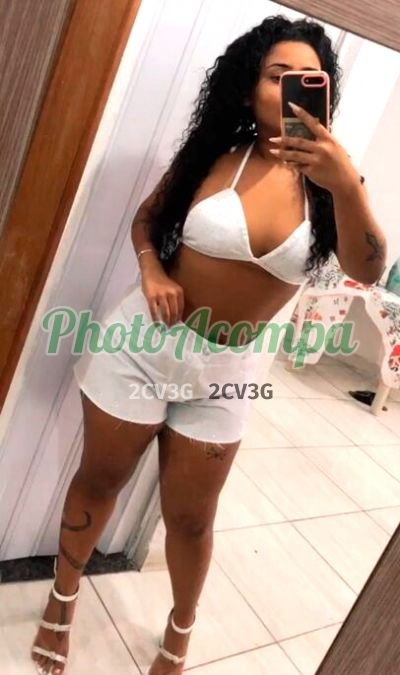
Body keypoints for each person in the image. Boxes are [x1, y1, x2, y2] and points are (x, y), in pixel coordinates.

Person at [31, 14, 387, 675]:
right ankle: (62, 596)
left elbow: (367, 268)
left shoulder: (333, 182)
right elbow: (147, 219)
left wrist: (344, 184)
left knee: (191, 518)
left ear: (325, 91)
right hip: (140, 345)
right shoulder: (214, 156)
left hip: (225, 371)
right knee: (101, 480)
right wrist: (151, 269)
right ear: (248, 87)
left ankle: (180, 627)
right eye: (277, 76)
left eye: (308, 79)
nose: (291, 90)